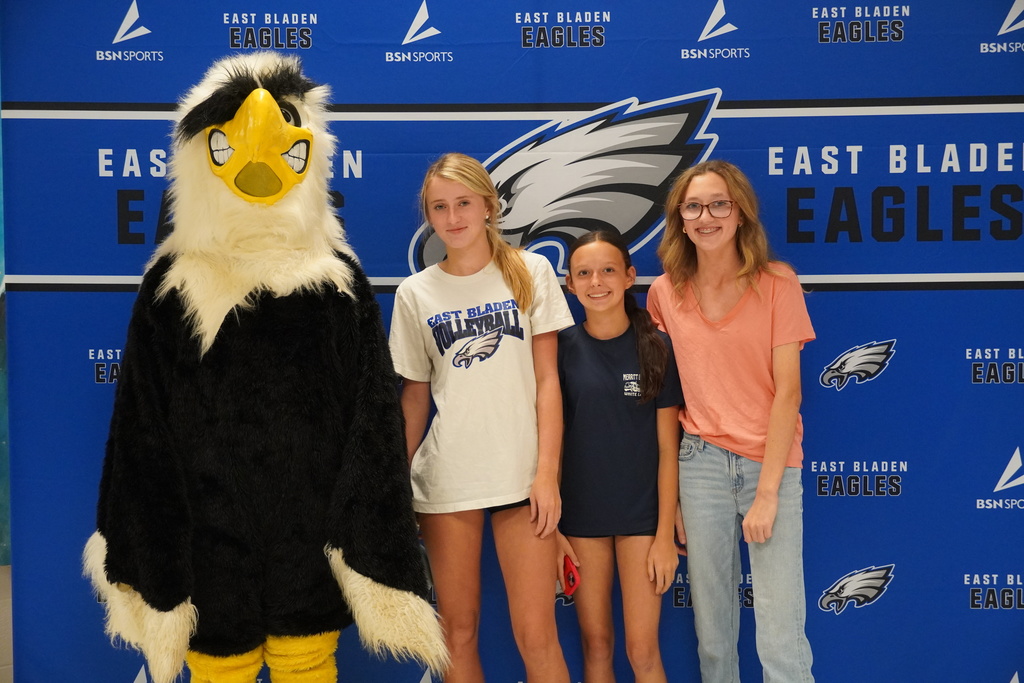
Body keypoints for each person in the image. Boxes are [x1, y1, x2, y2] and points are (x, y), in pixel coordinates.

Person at [389, 152, 574, 683]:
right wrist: (393, 483)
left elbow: (547, 384)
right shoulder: (415, 293)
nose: (453, 217)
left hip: (522, 476)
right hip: (448, 478)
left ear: (489, 206)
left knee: (537, 637)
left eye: (463, 203)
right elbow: (415, 399)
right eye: (439, 207)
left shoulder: (530, 271)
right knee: (459, 633)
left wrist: (547, 475)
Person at [647, 160, 816, 683]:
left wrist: (767, 492)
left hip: (771, 465)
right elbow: (668, 404)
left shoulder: (777, 284)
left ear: (740, 212)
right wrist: (672, 498)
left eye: (719, 203)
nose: (706, 216)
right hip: (698, 466)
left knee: (781, 632)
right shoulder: (664, 293)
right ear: (680, 218)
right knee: (714, 635)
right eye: (693, 206)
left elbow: (788, 393)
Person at [557, 230, 684, 683]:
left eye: (608, 270)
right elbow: (548, 443)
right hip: (580, 520)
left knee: (642, 650)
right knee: (597, 645)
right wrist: (553, 530)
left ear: (629, 276)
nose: (597, 282)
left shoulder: (656, 348)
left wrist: (665, 534)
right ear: (569, 284)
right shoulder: (558, 350)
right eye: (584, 273)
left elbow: (669, 448)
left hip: (642, 522)